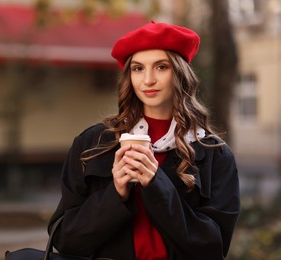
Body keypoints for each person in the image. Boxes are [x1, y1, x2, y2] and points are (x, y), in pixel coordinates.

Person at [48, 21, 240, 260]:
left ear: (180, 73)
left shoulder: (213, 154)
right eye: (138, 68)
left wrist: (156, 183)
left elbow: (213, 249)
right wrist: (116, 193)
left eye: (161, 67)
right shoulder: (92, 144)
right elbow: (65, 240)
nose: (148, 80)